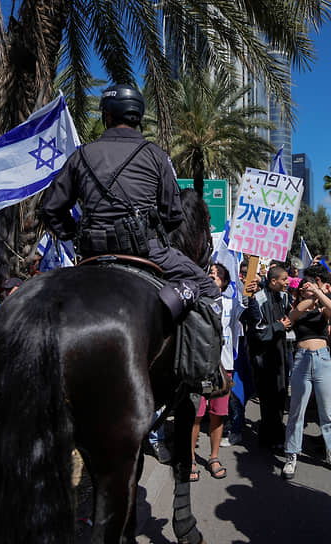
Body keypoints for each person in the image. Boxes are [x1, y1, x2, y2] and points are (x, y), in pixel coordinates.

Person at [41, 83, 221, 387]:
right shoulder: (155, 155)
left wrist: (73, 235)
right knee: (207, 288)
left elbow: (51, 208)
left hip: (91, 254)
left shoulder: (81, 155)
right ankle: (205, 374)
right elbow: (174, 214)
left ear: (107, 116)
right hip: (147, 252)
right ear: (138, 116)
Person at [282, 264, 331, 479]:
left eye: (309, 287)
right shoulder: (297, 309)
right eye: (303, 288)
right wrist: (310, 294)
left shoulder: (322, 311)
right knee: (297, 411)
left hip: (322, 360)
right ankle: (292, 454)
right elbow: (295, 314)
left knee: (327, 412)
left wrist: (318, 291)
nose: (307, 289)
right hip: (302, 360)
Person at [189, 263, 237, 481]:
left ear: (225, 283)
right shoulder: (194, 301)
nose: (213, 276)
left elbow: (248, 303)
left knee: (218, 415)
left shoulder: (232, 304)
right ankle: (189, 459)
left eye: (218, 275)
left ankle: (214, 456)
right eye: (210, 273)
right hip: (199, 367)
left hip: (223, 368)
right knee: (196, 415)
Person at [245, 265, 292, 450]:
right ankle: (267, 438)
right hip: (263, 358)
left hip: (281, 354)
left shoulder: (285, 297)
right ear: (273, 281)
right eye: (284, 279)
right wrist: (279, 326)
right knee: (267, 398)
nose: (288, 282)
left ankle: (278, 435)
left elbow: (290, 319)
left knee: (280, 396)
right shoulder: (257, 299)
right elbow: (258, 332)